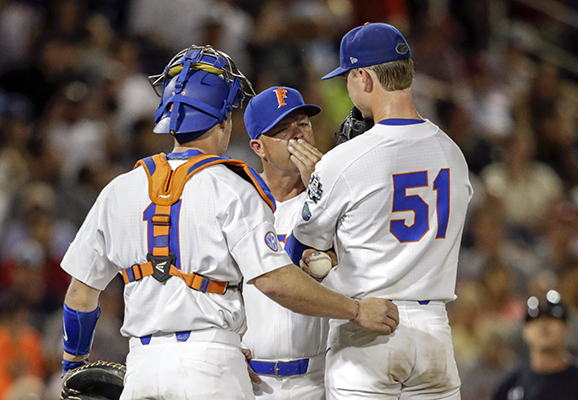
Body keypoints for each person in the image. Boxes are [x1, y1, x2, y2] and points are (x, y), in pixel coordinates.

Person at [59, 44, 399, 400]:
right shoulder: (233, 187)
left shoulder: (118, 189)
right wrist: (356, 310)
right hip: (211, 365)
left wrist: (72, 367)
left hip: (142, 368)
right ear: (225, 120)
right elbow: (274, 281)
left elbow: (80, 294)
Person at [286, 22, 474, 399]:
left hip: (368, 330)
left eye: (348, 78)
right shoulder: (453, 153)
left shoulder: (345, 160)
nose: (348, 87)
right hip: (434, 330)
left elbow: (299, 249)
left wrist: (317, 184)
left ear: (364, 77)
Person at [242, 86, 328, 399]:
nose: (297, 135)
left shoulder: (338, 200)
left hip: (319, 379)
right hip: (250, 383)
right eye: (282, 130)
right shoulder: (237, 203)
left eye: (303, 124)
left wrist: (322, 191)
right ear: (258, 147)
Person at [492, 290, 578, 400]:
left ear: (567, 328)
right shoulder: (512, 384)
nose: (543, 325)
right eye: (535, 319)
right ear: (525, 331)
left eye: (552, 318)